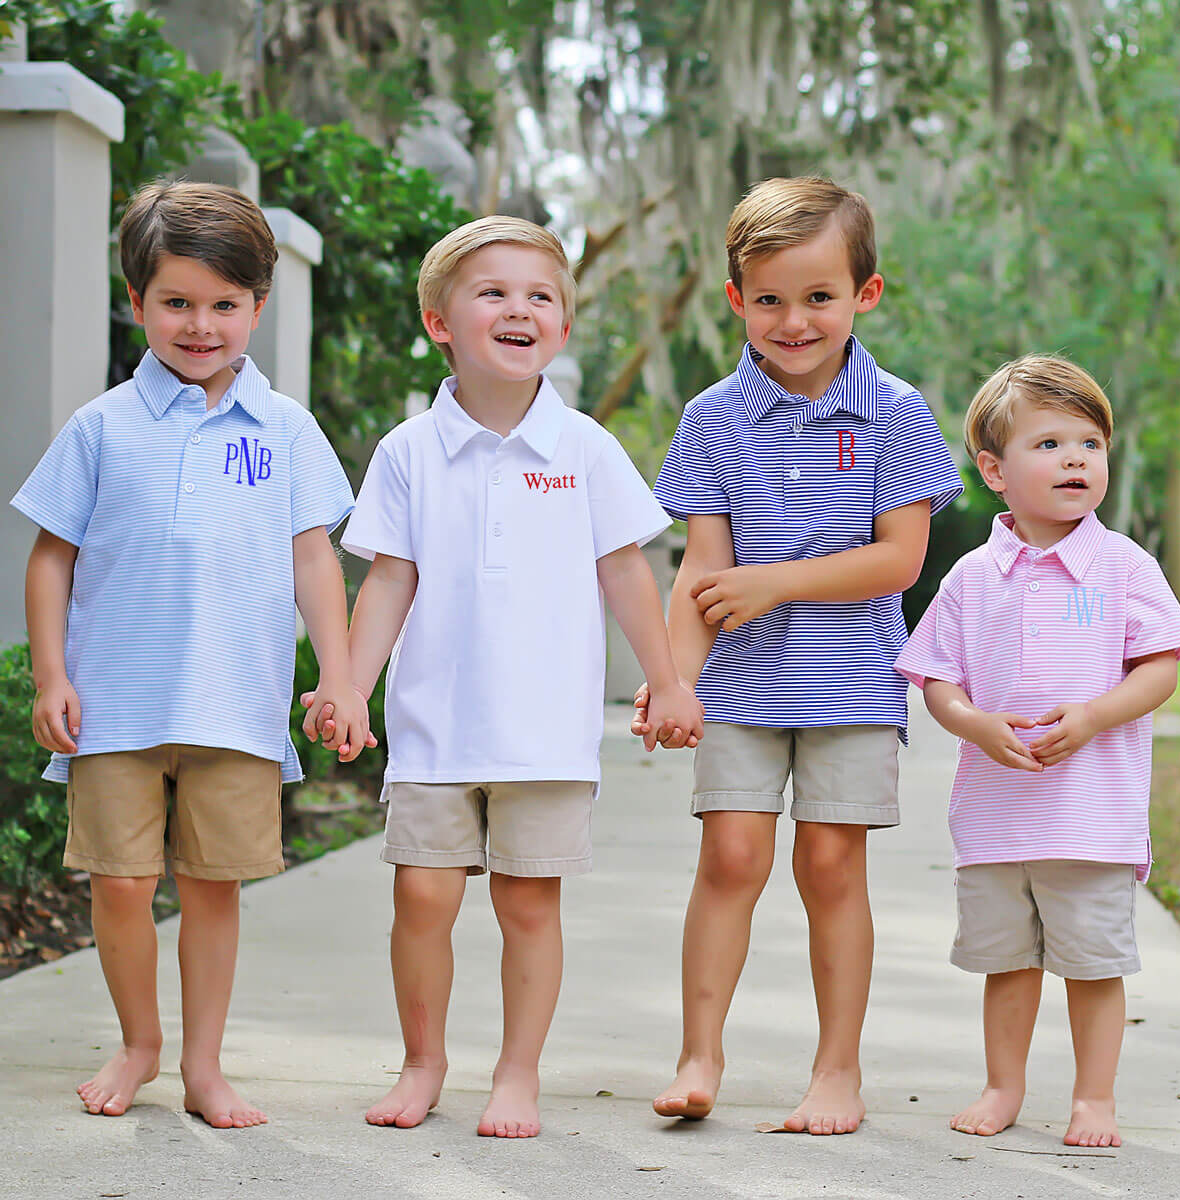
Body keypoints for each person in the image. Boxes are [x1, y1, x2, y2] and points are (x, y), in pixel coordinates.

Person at [335, 215, 704, 1139]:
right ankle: (423, 1063)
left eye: (540, 296)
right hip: (433, 725)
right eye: (492, 292)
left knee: (527, 901)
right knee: (421, 895)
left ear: (563, 330)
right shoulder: (408, 452)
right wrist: (347, 683)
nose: (518, 309)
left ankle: (517, 1073)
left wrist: (667, 680)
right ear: (439, 323)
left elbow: (628, 570)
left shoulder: (583, 447)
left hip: (543, 729)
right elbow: (389, 578)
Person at [12, 181, 368, 1128]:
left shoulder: (285, 429)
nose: (200, 325)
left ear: (258, 305)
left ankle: (205, 1067)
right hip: (116, 701)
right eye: (176, 302)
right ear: (137, 304)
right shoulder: (101, 426)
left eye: (224, 305)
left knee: (213, 887)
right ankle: (140, 1043)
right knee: (122, 883)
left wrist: (338, 675)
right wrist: (51, 674)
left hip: (235, 702)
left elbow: (314, 559)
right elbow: (52, 558)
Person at [637, 176, 963, 1134]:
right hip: (739, 683)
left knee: (830, 867)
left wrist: (774, 582)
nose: (794, 320)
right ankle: (700, 1055)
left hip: (853, 681)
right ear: (736, 300)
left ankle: (837, 1072)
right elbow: (704, 567)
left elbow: (899, 560)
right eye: (770, 299)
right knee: (731, 858)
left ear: (866, 294)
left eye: (819, 296)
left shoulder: (895, 412)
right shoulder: (711, 417)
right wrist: (673, 681)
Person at [895, 354, 1180, 1148]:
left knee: (1094, 967)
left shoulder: (1122, 564)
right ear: (993, 470)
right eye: (1050, 443)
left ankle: (1095, 1098)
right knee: (1008, 964)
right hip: (997, 821)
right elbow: (936, 679)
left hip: (1091, 818)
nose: (1075, 458)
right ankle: (1003, 1086)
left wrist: (1097, 716)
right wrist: (974, 724)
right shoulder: (972, 577)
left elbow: (1161, 667)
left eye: (1090, 444)